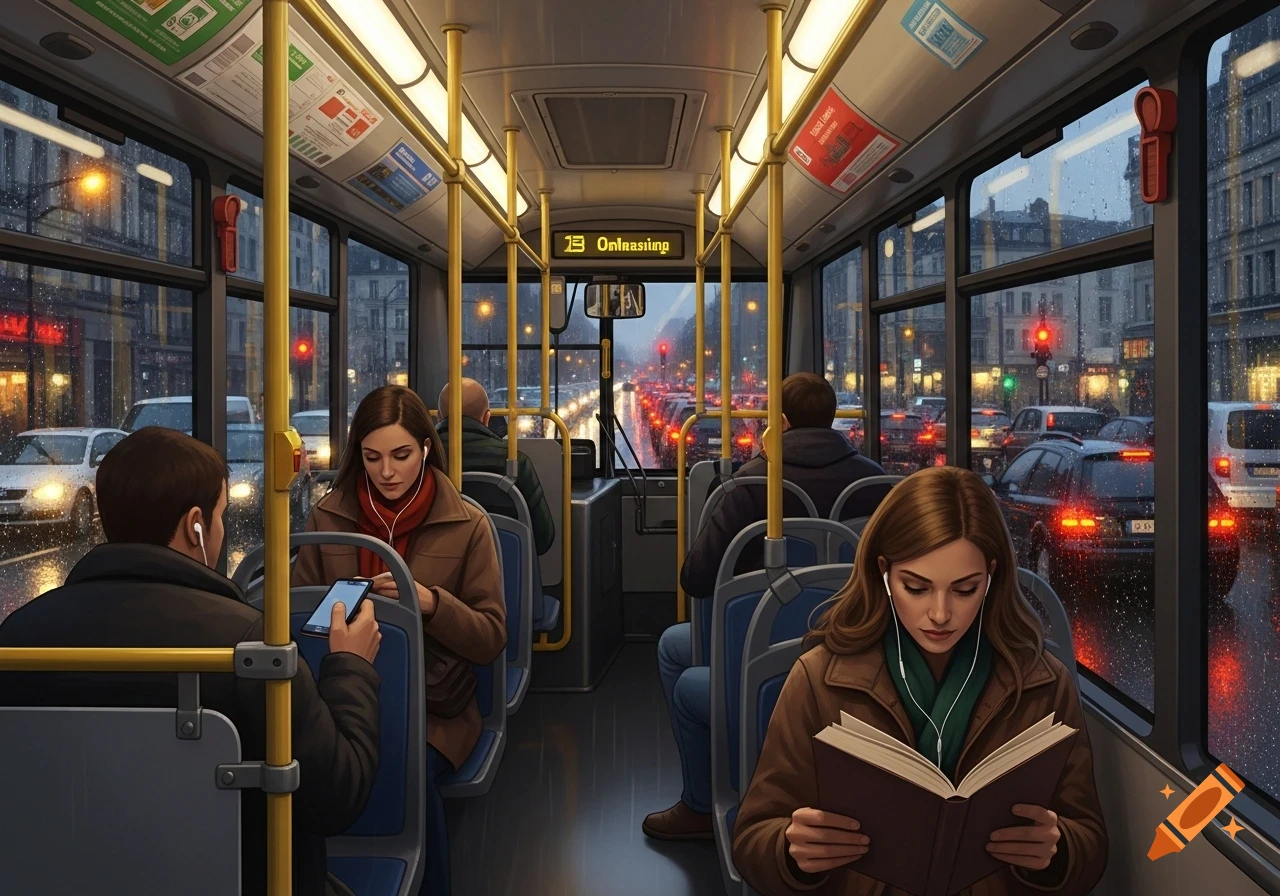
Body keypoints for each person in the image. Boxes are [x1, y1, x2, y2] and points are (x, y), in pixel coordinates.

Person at [0, 427, 382, 896]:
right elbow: (336, 795)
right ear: (195, 524)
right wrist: (351, 667)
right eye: (222, 516)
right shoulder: (250, 647)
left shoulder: (18, 640)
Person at [733, 465, 1107, 895]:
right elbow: (751, 840)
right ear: (885, 574)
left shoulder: (1044, 683)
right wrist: (791, 851)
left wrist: (1056, 852)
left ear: (991, 577)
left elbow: (1091, 844)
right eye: (916, 587)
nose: (941, 614)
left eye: (965, 590)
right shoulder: (818, 679)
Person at [643, 372, 886, 841]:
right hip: (859, 658)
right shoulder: (877, 484)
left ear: (781, 421)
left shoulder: (752, 487)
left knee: (679, 655)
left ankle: (704, 799)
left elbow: (695, 578)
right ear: (832, 418)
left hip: (764, 659)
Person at [292, 385, 505, 896]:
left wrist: (432, 605)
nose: (386, 471)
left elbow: (491, 637)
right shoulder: (329, 518)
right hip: (336, 697)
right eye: (372, 457)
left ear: (427, 449)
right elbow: (298, 619)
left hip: (434, 708)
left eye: (401, 455)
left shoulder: (467, 524)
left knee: (406, 769)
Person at [436, 378, 556, 555]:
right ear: (487, 418)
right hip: (508, 570)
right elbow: (543, 537)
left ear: (439, 417)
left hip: (438, 568)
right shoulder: (515, 462)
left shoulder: (424, 458)